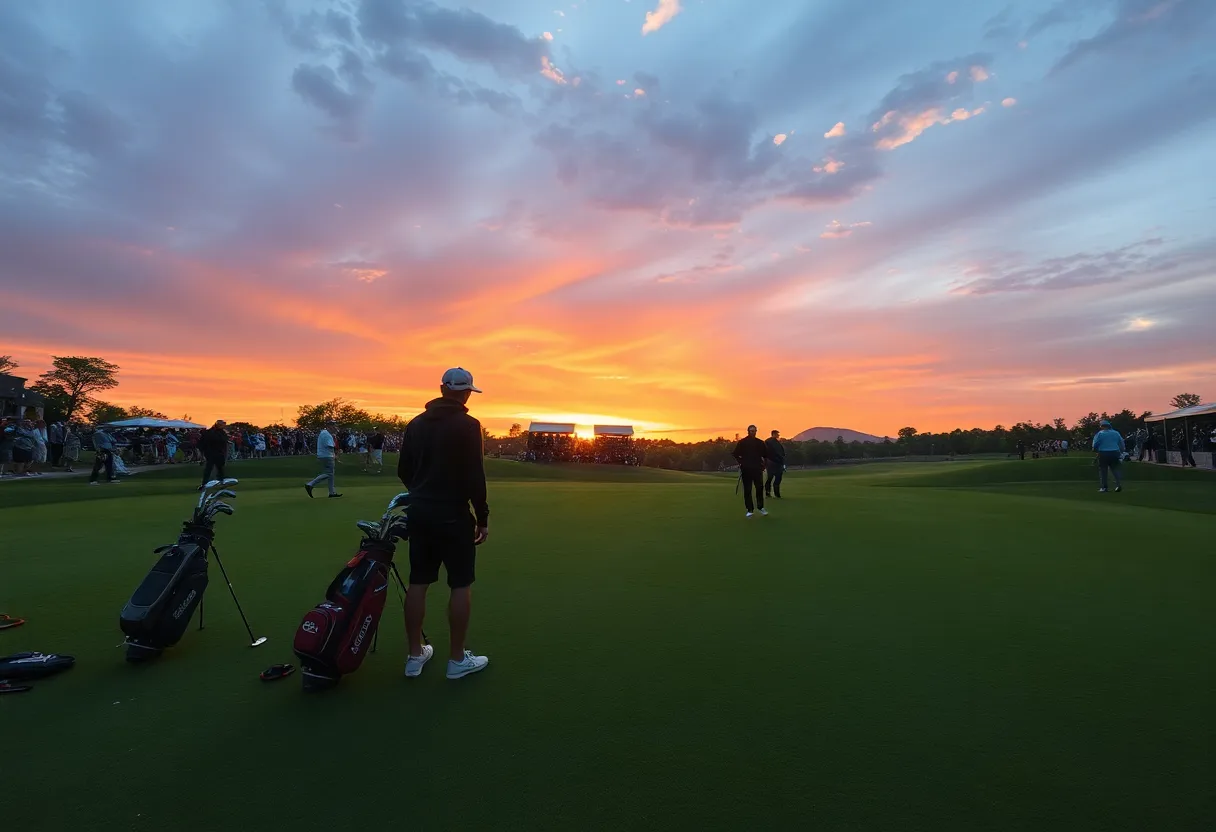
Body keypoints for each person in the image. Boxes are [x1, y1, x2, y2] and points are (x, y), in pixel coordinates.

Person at [398, 367, 490, 681]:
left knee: (418, 582)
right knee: (460, 584)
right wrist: (483, 517)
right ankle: (456, 659)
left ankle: (414, 656)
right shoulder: (469, 425)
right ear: (466, 393)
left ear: (441, 388)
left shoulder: (416, 424)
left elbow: (404, 471)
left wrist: (422, 494)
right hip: (453, 515)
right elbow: (475, 477)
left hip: (420, 512)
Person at [732, 425, 770, 518]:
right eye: (751, 431)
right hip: (746, 469)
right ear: (748, 431)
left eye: (754, 431)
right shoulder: (742, 442)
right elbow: (736, 454)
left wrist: (764, 465)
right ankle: (750, 509)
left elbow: (766, 455)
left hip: (757, 469)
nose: (753, 432)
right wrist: (741, 463)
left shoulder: (760, 443)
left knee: (759, 488)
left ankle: (760, 507)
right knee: (748, 490)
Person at [304, 419, 342, 498]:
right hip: (327, 456)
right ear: (330, 426)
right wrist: (336, 454)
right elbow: (330, 446)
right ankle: (310, 484)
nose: (336, 427)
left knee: (331, 474)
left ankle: (332, 492)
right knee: (329, 473)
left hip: (325, 455)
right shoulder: (326, 434)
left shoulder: (325, 433)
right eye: (334, 426)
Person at [1092, 419, 1125, 493]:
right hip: (1115, 452)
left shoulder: (1100, 434)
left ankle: (1104, 487)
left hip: (1103, 453)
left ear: (1101, 426)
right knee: (1115, 469)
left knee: (1103, 470)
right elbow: (1121, 443)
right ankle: (1118, 485)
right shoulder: (1116, 433)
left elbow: (1096, 444)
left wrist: (1095, 449)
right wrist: (1121, 451)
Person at [198, 420, 230, 487]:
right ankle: (206, 483)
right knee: (211, 469)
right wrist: (201, 456)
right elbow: (202, 445)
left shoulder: (221, 433)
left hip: (216, 453)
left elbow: (225, 444)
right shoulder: (209, 433)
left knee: (218, 469)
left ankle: (218, 482)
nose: (224, 426)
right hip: (212, 453)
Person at [764, 429, 787, 499]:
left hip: (778, 463)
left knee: (778, 478)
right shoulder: (768, 442)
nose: (778, 435)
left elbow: (781, 453)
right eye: (777, 434)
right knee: (770, 478)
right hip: (772, 462)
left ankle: (776, 493)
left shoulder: (777, 442)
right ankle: (768, 493)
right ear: (773, 434)